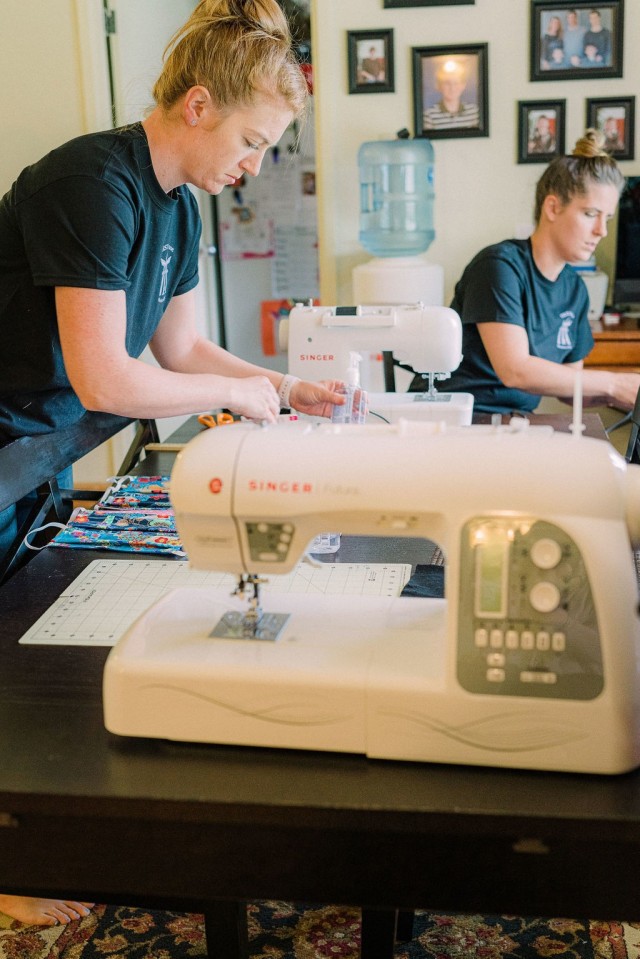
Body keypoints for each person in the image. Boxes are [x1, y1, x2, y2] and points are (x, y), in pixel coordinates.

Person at [0, 0, 343, 928]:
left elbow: (183, 349)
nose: (254, 165)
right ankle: (10, 866)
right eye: (251, 139)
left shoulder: (182, 211)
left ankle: (39, 830)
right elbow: (108, 373)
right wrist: (237, 399)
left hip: (35, 448)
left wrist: (275, 381)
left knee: (23, 650)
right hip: (4, 431)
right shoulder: (91, 182)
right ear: (198, 105)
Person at [409, 130, 640, 415]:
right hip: (455, 418)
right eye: (591, 214)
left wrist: (628, 396)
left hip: (511, 425)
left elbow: (571, 387)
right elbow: (514, 370)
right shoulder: (498, 267)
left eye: (608, 218)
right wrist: (614, 383)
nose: (601, 231)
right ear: (553, 207)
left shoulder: (575, 290)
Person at [423, 58, 479, 131]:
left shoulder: (474, 112)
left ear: (463, 85)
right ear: (439, 86)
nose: (452, 88)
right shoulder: (429, 115)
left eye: (456, 83)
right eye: (447, 83)